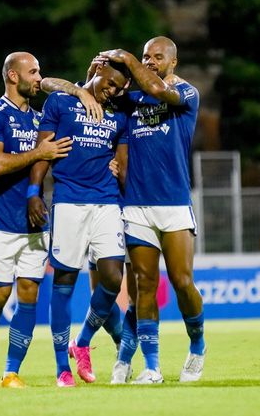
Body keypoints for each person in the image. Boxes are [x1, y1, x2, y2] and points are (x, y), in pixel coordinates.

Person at [0, 51, 99, 389]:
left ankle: (11, 372)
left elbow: (72, 154)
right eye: (32, 71)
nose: (38, 77)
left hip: (35, 222)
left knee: (28, 293)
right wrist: (38, 153)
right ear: (13, 76)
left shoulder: (43, 118)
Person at [99, 36, 206, 384]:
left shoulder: (187, 93)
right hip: (137, 206)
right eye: (146, 56)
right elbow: (99, 98)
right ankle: (152, 366)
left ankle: (197, 346)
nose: (150, 61)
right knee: (144, 286)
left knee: (182, 282)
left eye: (157, 57)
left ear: (173, 62)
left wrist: (128, 59)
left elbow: (160, 91)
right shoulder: (131, 101)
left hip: (174, 203)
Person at [28, 60, 131, 387]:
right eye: (110, 82)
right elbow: (43, 151)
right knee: (65, 281)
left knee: (113, 278)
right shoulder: (61, 101)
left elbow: (125, 160)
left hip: (106, 201)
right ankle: (62, 367)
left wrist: (120, 169)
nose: (111, 90)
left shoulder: (119, 113)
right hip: (69, 200)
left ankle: (82, 341)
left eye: (118, 88)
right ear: (96, 68)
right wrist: (34, 192)